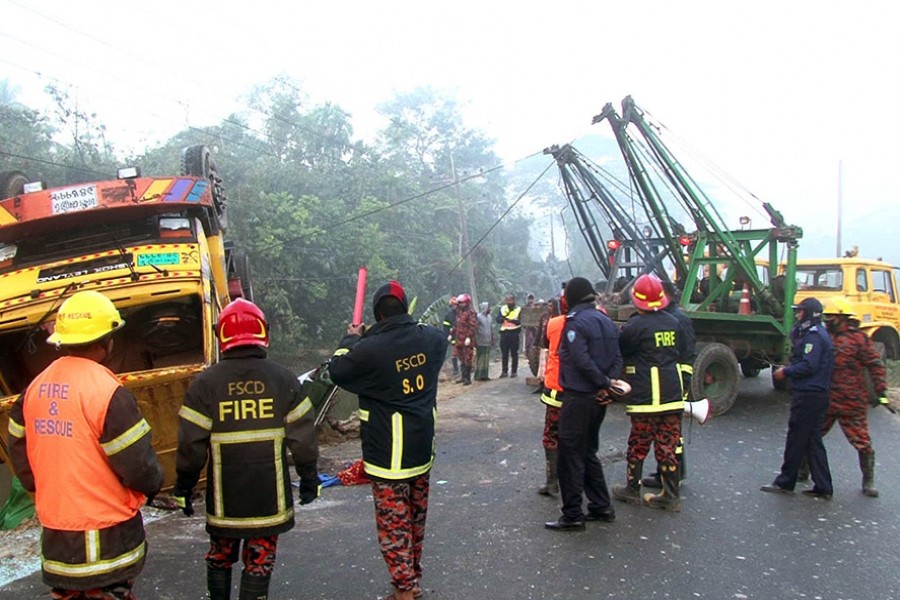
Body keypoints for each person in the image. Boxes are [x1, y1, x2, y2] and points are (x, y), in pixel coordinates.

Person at [7, 290, 163, 599]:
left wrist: (47, 491)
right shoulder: (107, 392)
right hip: (108, 538)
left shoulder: (34, 389)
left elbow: (20, 454)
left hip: (57, 535)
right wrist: (154, 486)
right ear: (108, 340)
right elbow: (138, 466)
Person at [172, 298, 320, 600]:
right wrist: (309, 479)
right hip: (270, 501)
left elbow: (191, 445)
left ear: (222, 336)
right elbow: (303, 440)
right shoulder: (284, 379)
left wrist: (183, 488)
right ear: (263, 333)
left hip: (225, 504)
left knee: (220, 557)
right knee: (259, 562)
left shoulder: (205, 384)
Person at [328, 281, 448, 600]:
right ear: (406, 308)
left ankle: (406, 591)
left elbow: (338, 370)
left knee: (394, 526)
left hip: (388, 457)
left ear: (377, 314)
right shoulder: (431, 339)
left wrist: (351, 337)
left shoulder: (370, 350)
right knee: (415, 519)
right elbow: (440, 340)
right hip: (422, 450)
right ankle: (411, 578)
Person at [545, 277, 623, 531]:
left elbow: (580, 359)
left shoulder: (575, 323)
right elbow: (618, 358)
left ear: (572, 296)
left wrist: (599, 382)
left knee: (570, 455)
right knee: (588, 451)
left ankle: (573, 514)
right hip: (598, 400)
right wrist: (607, 384)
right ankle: (601, 506)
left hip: (578, 398)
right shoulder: (606, 321)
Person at [613, 274, 690, 511]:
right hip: (671, 395)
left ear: (637, 300)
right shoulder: (675, 322)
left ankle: (632, 489)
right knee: (667, 444)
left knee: (638, 444)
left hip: (645, 397)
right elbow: (684, 354)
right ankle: (671, 495)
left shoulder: (634, 327)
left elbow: (623, 351)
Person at [761, 297, 835, 499]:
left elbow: (809, 365)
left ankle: (786, 481)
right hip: (816, 393)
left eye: (801, 312)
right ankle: (823, 486)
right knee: (812, 441)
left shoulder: (814, 337)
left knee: (797, 438)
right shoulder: (817, 334)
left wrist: (786, 371)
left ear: (810, 314)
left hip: (809, 394)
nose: (797, 315)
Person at [819, 307, 888, 496]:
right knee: (811, 435)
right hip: (826, 399)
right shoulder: (824, 336)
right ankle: (803, 471)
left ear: (842, 318)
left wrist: (881, 392)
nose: (828, 320)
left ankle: (868, 481)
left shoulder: (858, 339)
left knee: (862, 442)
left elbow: (875, 364)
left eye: (831, 317)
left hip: (852, 401)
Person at [641, 280, 697, 490]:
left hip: (674, 380)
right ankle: (669, 472)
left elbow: (687, 353)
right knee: (669, 431)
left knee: (671, 432)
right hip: (672, 379)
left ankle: (673, 473)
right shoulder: (673, 316)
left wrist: (683, 384)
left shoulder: (676, 319)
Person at [537, 296, 566, 496]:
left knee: (551, 435)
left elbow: (545, 344)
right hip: (581, 393)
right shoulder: (592, 320)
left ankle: (552, 482)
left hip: (557, 389)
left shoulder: (554, 323)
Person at [496, 294, 522, 378]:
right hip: (504, 333)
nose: (509, 302)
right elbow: (498, 320)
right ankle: (504, 371)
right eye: (507, 300)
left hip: (514, 333)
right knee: (504, 354)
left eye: (510, 300)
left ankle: (514, 371)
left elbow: (520, 321)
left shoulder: (519, 309)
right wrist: (504, 319)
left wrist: (512, 320)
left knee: (514, 353)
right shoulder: (503, 308)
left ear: (514, 300)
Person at [454, 294, 478, 386]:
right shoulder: (459, 313)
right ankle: (463, 377)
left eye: (461, 303)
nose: (460, 305)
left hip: (467, 340)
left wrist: (469, 337)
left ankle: (468, 378)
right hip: (459, 339)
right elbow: (456, 325)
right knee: (461, 358)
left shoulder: (470, 313)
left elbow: (473, 326)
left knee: (468, 358)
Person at [474, 301, 495, 381]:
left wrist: (492, 338)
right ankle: (478, 376)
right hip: (480, 340)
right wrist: (475, 339)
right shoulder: (478, 317)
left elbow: (491, 328)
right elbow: (475, 329)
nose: (489, 309)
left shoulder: (490, 317)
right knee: (480, 359)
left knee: (486, 359)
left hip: (488, 341)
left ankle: (485, 375)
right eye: (488, 307)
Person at [442, 296, 459, 378]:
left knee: (465, 354)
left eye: (455, 305)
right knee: (454, 354)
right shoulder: (448, 316)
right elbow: (446, 328)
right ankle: (456, 370)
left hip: (463, 337)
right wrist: (447, 337)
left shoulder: (462, 313)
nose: (454, 307)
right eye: (452, 305)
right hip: (454, 338)